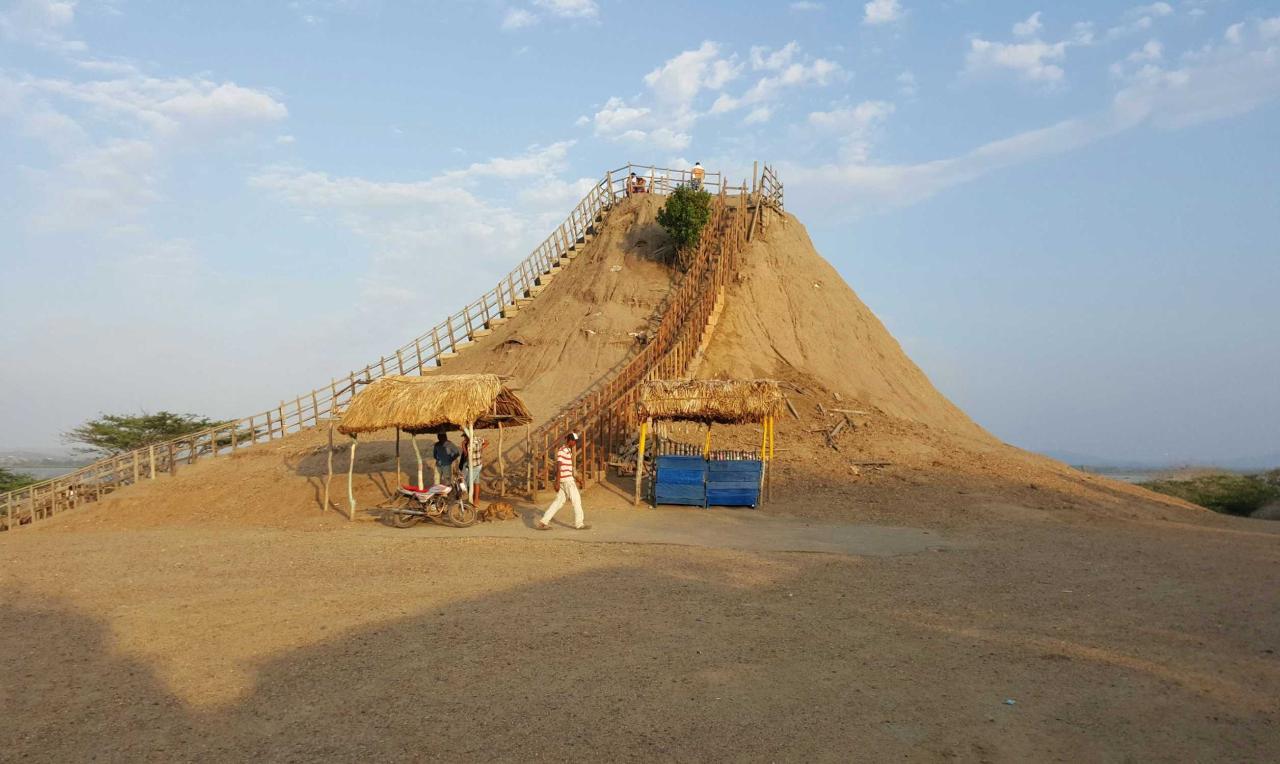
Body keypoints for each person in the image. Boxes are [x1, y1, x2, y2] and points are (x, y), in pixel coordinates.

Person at [536, 432, 589, 530]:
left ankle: (543, 522)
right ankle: (579, 524)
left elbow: (570, 468)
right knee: (576, 500)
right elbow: (559, 467)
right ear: (570, 440)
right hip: (567, 480)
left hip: (565, 480)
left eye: (575, 442)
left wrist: (578, 479)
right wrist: (557, 481)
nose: (575, 443)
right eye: (574, 441)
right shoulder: (562, 451)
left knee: (558, 502)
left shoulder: (568, 451)